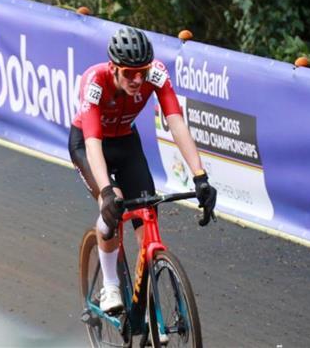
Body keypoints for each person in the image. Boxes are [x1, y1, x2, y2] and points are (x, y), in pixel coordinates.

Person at [69, 26, 217, 314]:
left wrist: (200, 176)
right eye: (128, 73)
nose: (137, 79)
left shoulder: (157, 74)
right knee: (113, 206)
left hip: (126, 143)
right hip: (89, 146)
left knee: (146, 222)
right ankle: (110, 285)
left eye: (142, 71)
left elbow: (176, 123)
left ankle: (149, 310)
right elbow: (93, 143)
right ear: (113, 68)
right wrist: (107, 192)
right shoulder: (95, 81)